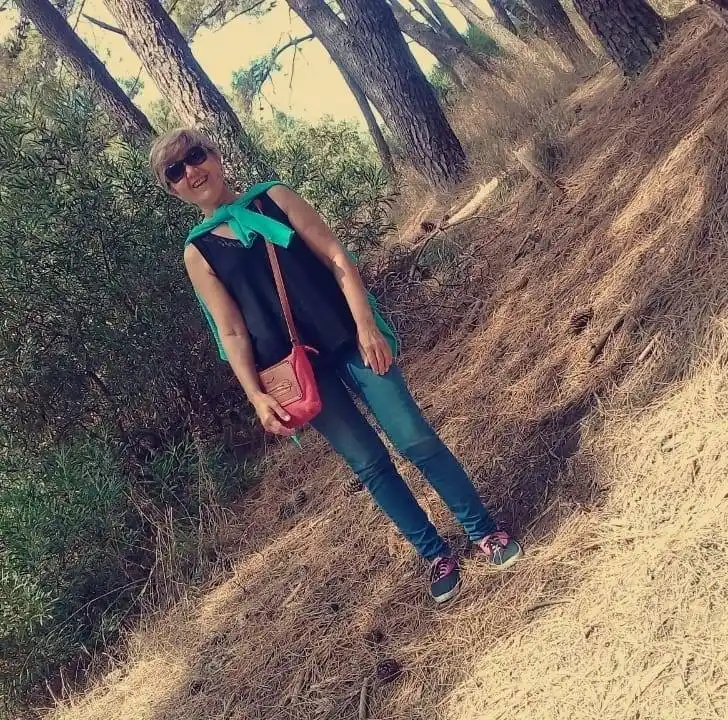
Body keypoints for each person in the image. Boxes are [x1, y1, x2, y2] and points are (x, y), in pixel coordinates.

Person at [149, 128, 522, 604]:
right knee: (369, 464)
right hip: (298, 372)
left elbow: (335, 255)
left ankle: (483, 530)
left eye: (195, 155)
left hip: (350, 338)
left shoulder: (275, 198)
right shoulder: (197, 252)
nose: (191, 171)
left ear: (215, 155)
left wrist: (367, 326)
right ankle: (434, 554)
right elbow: (233, 332)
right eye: (175, 170)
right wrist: (256, 395)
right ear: (172, 189)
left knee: (414, 437)